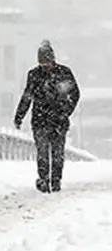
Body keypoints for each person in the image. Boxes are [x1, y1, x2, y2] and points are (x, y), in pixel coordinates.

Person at [14, 40, 81, 193]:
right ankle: (44, 179)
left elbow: (75, 93)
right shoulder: (34, 75)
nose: (45, 66)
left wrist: (65, 111)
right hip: (40, 121)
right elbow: (27, 97)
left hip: (58, 120)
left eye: (47, 62)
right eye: (42, 63)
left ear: (53, 59)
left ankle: (56, 180)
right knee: (43, 152)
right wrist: (19, 116)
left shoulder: (64, 73)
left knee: (57, 152)